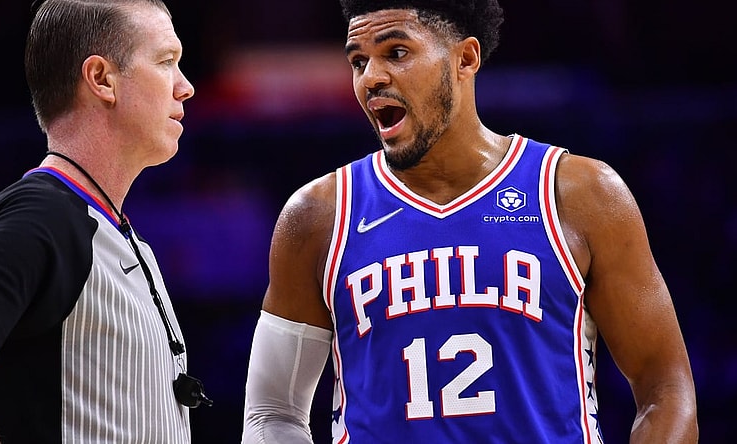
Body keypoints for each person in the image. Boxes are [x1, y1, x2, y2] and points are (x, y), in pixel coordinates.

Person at [242, 0, 698, 443]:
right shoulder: (319, 216)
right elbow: (273, 413)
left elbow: (665, 388)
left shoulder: (579, 194)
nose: (371, 78)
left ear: (465, 58)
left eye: (396, 53)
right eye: (358, 61)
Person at [0, 0, 208, 442]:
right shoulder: (41, 215)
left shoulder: (112, 229)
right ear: (102, 79)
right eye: (166, 61)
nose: (185, 87)